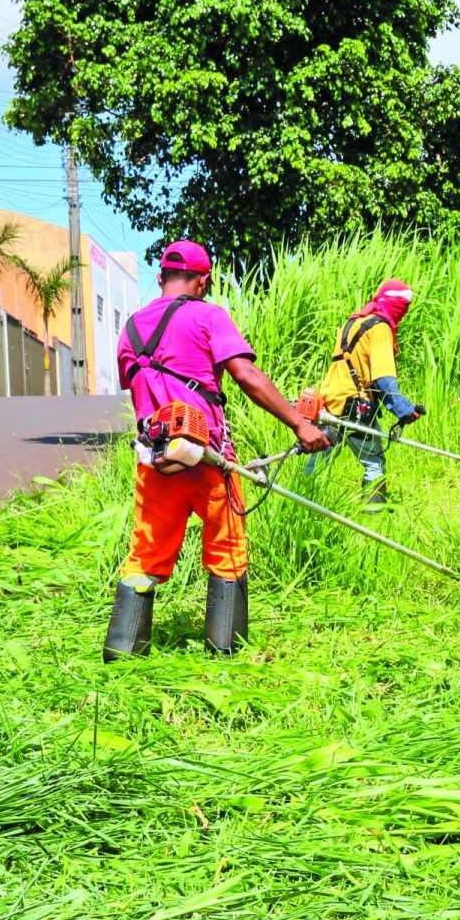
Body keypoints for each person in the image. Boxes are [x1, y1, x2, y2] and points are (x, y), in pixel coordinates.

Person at [104, 241, 329, 660]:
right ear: (203, 280)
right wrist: (300, 423)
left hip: (156, 461)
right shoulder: (209, 315)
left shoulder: (132, 326)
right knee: (227, 549)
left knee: (145, 555)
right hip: (208, 459)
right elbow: (245, 374)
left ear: (160, 278)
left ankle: (120, 658)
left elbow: (133, 383)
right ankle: (224, 657)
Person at [312, 279, 423, 511]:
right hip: (355, 406)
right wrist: (404, 409)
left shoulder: (353, 322)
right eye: (405, 306)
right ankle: (374, 513)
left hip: (330, 400)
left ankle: (303, 503)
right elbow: (382, 378)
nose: (405, 312)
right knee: (373, 460)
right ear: (397, 305)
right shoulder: (380, 327)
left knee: (321, 458)